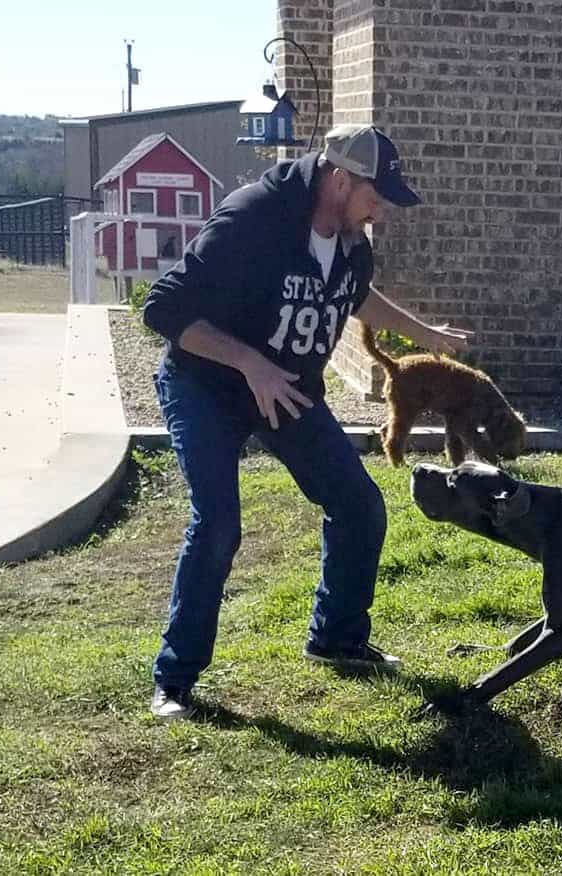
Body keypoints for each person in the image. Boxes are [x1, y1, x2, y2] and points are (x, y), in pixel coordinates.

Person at [143, 123, 470, 719]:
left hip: (287, 391)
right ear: (339, 179)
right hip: (206, 385)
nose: (381, 214)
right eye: (375, 197)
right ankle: (175, 680)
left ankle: (337, 639)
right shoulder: (252, 221)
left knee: (359, 505)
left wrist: (422, 332)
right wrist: (250, 364)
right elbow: (164, 308)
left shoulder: (351, 241)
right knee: (218, 524)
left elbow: (357, 293)